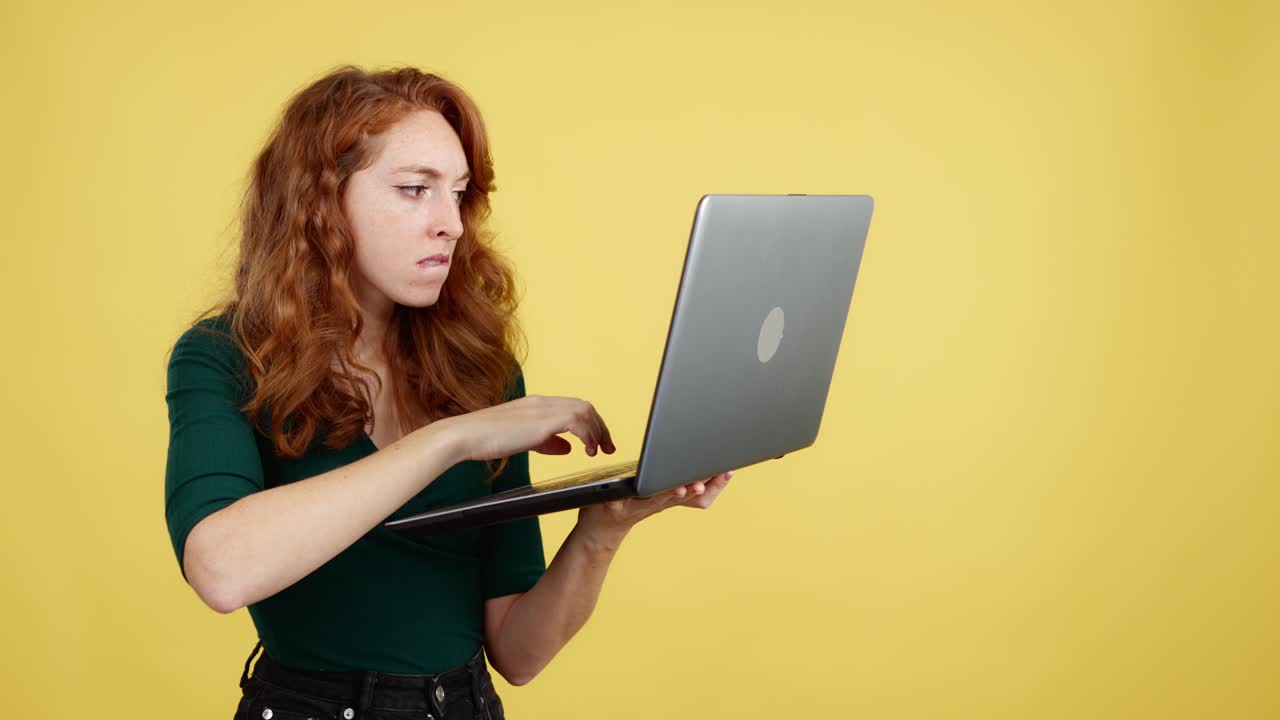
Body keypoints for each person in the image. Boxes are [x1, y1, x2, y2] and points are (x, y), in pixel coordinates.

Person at [163, 64, 733, 720]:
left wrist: (603, 530)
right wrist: (452, 439)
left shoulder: (478, 368)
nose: (452, 224)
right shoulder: (224, 357)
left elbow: (519, 652)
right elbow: (221, 571)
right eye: (415, 189)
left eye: (458, 194)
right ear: (320, 204)